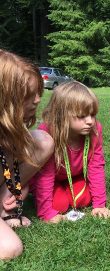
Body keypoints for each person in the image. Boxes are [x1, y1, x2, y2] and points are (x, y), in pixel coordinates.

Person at [31, 81, 110, 222]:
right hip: (47, 177)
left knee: (82, 200)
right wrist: (46, 213)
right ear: (61, 115)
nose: (90, 121)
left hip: (73, 177)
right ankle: (53, 194)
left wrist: (99, 204)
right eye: (82, 116)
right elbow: (45, 175)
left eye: (92, 115)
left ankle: (66, 191)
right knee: (59, 205)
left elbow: (96, 166)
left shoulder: (94, 131)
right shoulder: (48, 133)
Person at [0, 49, 54, 259]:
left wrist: (15, 187)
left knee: (43, 141)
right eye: (29, 96)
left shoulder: (10, 128)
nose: (38, 100)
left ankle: (6, 202)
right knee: (9, 248)